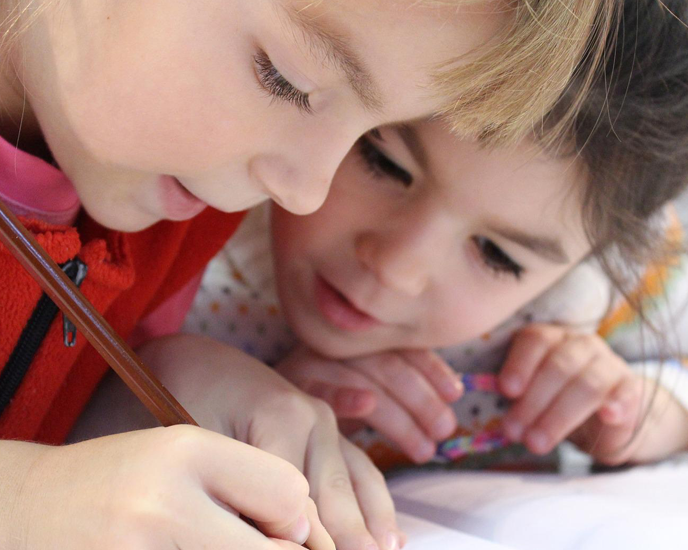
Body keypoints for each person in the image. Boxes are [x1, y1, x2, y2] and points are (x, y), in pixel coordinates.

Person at [0, 1, 620, 550]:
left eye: (361, 136)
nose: (303, 194)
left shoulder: (175, 205)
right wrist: (30, 516)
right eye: (286, 81)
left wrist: (143, 394)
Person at [184, 0, 688, 476]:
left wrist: (648, 412)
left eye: (496, 255)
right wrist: (236, 406)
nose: (396, 268)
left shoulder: (618, 285)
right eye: (383, 163)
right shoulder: (194, 218)